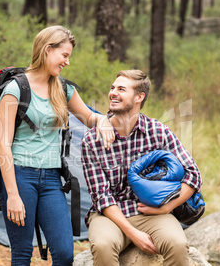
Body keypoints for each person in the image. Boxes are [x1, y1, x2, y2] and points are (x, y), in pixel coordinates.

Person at [0, 25, 114, 266]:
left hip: (51, 179)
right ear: (48, 50)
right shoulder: (14, 89)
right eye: (64, 55)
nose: (67, 62)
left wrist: (101, 120)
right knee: (21, 253)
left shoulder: (63, 88)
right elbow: (3, 145)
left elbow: (88, 117)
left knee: (64, 253)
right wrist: (13, 195)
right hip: (19, 176)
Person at [81, 69, 202, 266]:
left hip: (150, 212)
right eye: (112, 88)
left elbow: (193, 174)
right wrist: (134, 234)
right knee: (103, 246)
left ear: (139, 97)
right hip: (109, 215)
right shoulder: (91, 140)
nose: (113, 92)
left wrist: (166, 208)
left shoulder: (158, 132)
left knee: (178, 245)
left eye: (121, 89)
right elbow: (101, 195)